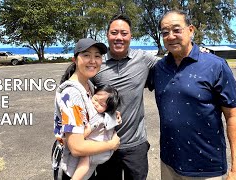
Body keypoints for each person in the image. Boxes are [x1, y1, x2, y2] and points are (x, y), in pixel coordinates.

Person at [147, 10, 236, 179]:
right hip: (168, 163)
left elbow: (233, 117)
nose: (170, 36)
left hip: (206, 167)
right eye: (165, 32)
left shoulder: (216, 66)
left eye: (177, 30)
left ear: (191, 30)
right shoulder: (159, 68)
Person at [91, 14, 160, 180]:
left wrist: (199, 53)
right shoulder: (96, 63)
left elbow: (173, 64)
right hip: (104, 143)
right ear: (107, 35)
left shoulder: (144, 59)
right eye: (114, 33)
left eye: (124, 33)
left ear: (131, 36)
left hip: (135, 145)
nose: (119, 38)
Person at [53, 38, 120, 180]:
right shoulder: (72, 94)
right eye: (86, 55)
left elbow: (90, 114)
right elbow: (77, 148)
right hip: (73, 170)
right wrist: (111, 144)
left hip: (87, 169)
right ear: (75, 60)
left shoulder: (88, 85)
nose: (93, 60)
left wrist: (110, 115)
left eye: (97, 56)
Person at [72, 85, 121, 180]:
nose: (96, 104)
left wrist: (73, 140)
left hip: (99, 149)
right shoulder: (110, 115)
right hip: (106, 149)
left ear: (108, 109)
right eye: (95, 99)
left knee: (84, 160)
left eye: (102, 105)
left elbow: (84, 133)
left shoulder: (97, 118)